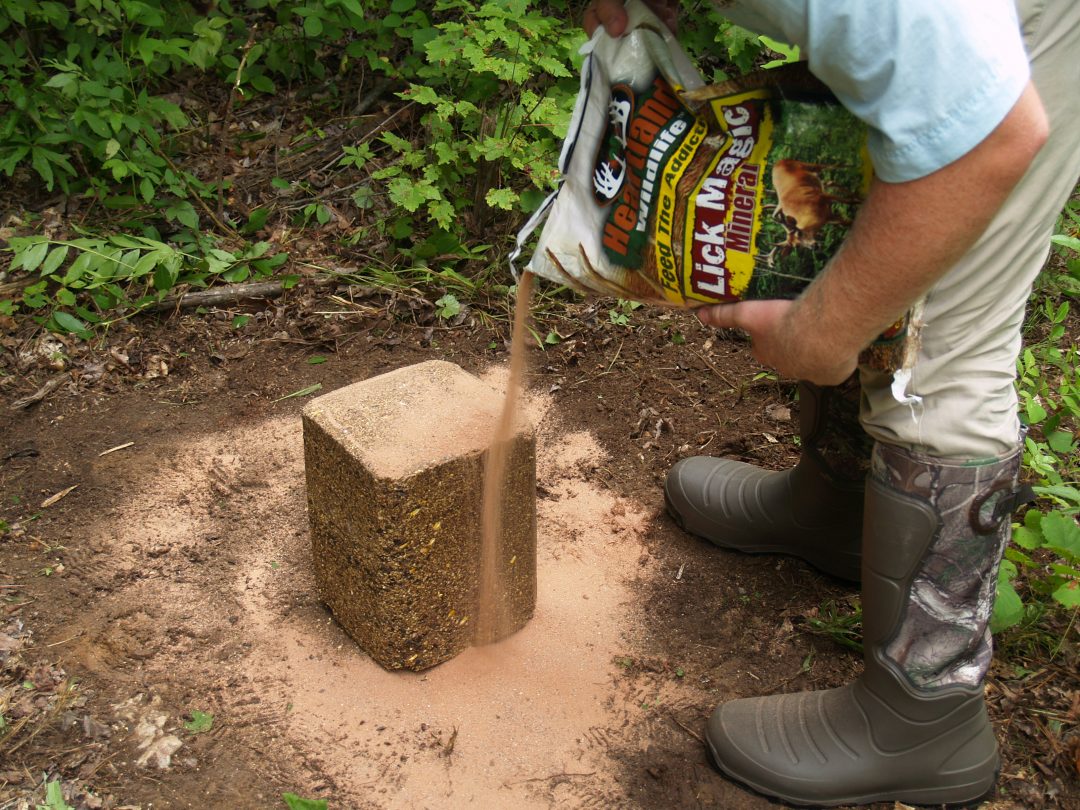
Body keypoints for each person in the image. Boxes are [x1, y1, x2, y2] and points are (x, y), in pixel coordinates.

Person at [585, 0, 1080, 805]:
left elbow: (993, 136)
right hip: (954, 33)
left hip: (1018, 52)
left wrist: (826, 329)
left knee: (937, 343)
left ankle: (924, 711)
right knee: (840, 192)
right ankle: (841, 515)